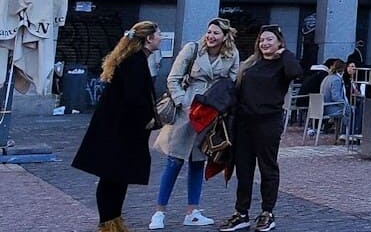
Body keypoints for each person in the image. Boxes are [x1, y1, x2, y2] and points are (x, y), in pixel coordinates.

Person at [149, 18, 240, 230]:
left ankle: (192, 211)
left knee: (198, 162)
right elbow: (173, 78)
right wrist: (182, 103)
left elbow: (232, 84)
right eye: (209, 32)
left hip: (210, 112)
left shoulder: (232, 54)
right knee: (175, 161)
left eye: (216, 33)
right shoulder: (192, 49)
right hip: (187, 111)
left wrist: (222, 107)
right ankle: (159, 211)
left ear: (225, 36)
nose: (211, 36)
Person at [72, 21, 161, 232]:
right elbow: (135, 98)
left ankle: (113, 220)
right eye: (158, 35)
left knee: (116, 177)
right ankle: (108, 222)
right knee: (113, 177)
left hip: (118, 129)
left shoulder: (133, 60)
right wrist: (147, 117)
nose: (161, 38)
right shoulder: (134, 62)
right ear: (148, 38)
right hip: (120, 131)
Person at [220, 24, 302, 232]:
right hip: (244, 123)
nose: (265, 43)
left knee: (267, 168)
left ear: (279, 43)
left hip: (268, 122)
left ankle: (267, 212)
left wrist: (285, 54)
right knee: (244, 169)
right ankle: (241, 213)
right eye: (262, 40)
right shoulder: (251, 64)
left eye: (270, 40)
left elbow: (296, 72)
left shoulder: (283, 63)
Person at [320, 59, 352, 142]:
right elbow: (336, 97)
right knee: (351, 110)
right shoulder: (336, 80)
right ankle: (346, 134)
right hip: (329, 108)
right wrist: (346, 105)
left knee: (347, 109)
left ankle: (341, 134)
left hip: (322, 107)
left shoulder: (327, 78)